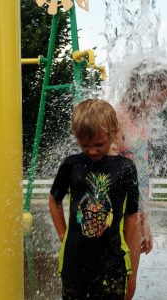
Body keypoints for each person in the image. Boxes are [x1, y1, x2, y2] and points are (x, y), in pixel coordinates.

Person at [49, 99, 141, 300]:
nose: (92, 151)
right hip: (74, 263)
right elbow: (54, 200)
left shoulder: (126, 168)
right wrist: (63, 235)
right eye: (85, 145)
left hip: (112, 264)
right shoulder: (71, 165)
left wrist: (122, 243)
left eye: (99, 144)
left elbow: (132, 213)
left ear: (114, 132)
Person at [110, 60, 167, 299]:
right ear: (142, 89)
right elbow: (107, 168)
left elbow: (141, 176)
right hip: (116, 212)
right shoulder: (115, 118)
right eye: (159, 100)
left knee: (130, 282)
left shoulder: (142, 125)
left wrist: (144, 220)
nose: (159, 107)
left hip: (134, 213)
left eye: (164, 102)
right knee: (114, 279)